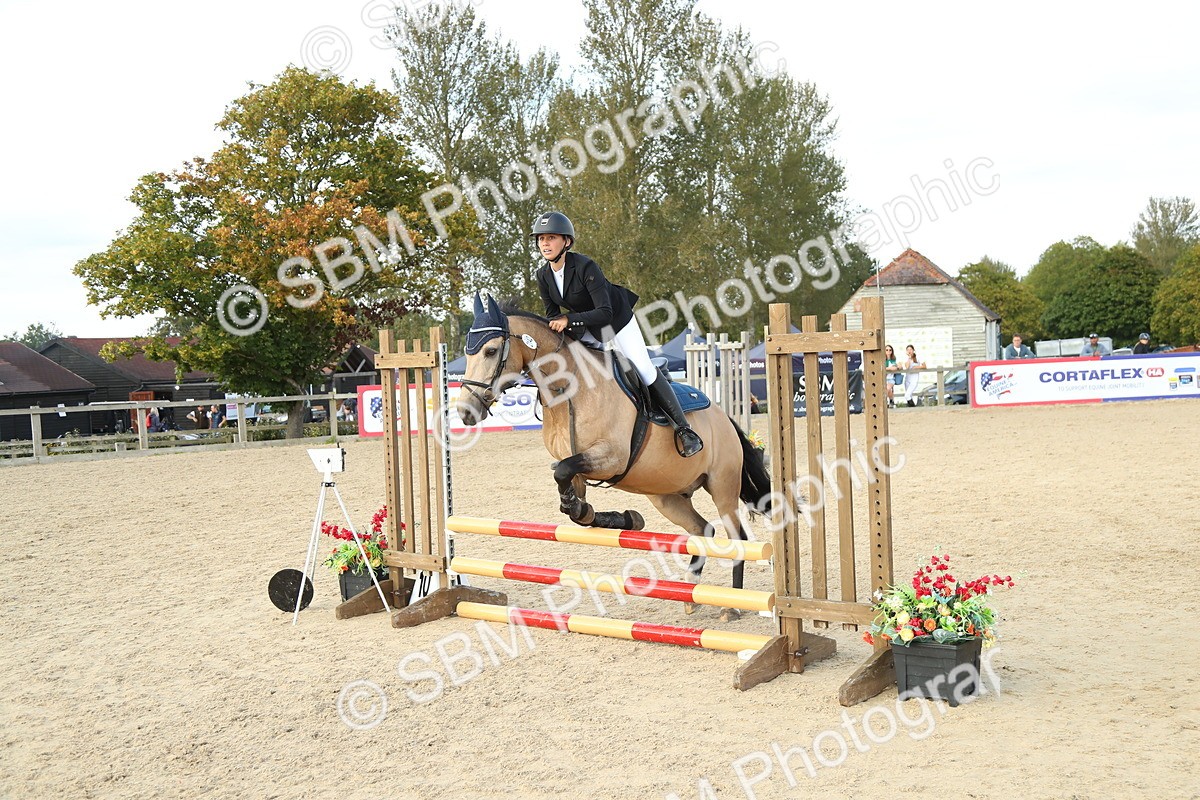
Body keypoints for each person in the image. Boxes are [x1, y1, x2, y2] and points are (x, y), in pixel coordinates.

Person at [532, 211, 703, 456]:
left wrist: (569, 319)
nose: (545, 244)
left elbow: (604, 311)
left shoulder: (585, 266)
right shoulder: (543, 276)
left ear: (566, 242)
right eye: (540, 239)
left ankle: (685, 431)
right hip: (587, 327)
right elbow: (552, 316)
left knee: (642, 368)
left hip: (616, 320)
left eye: (551, 237)